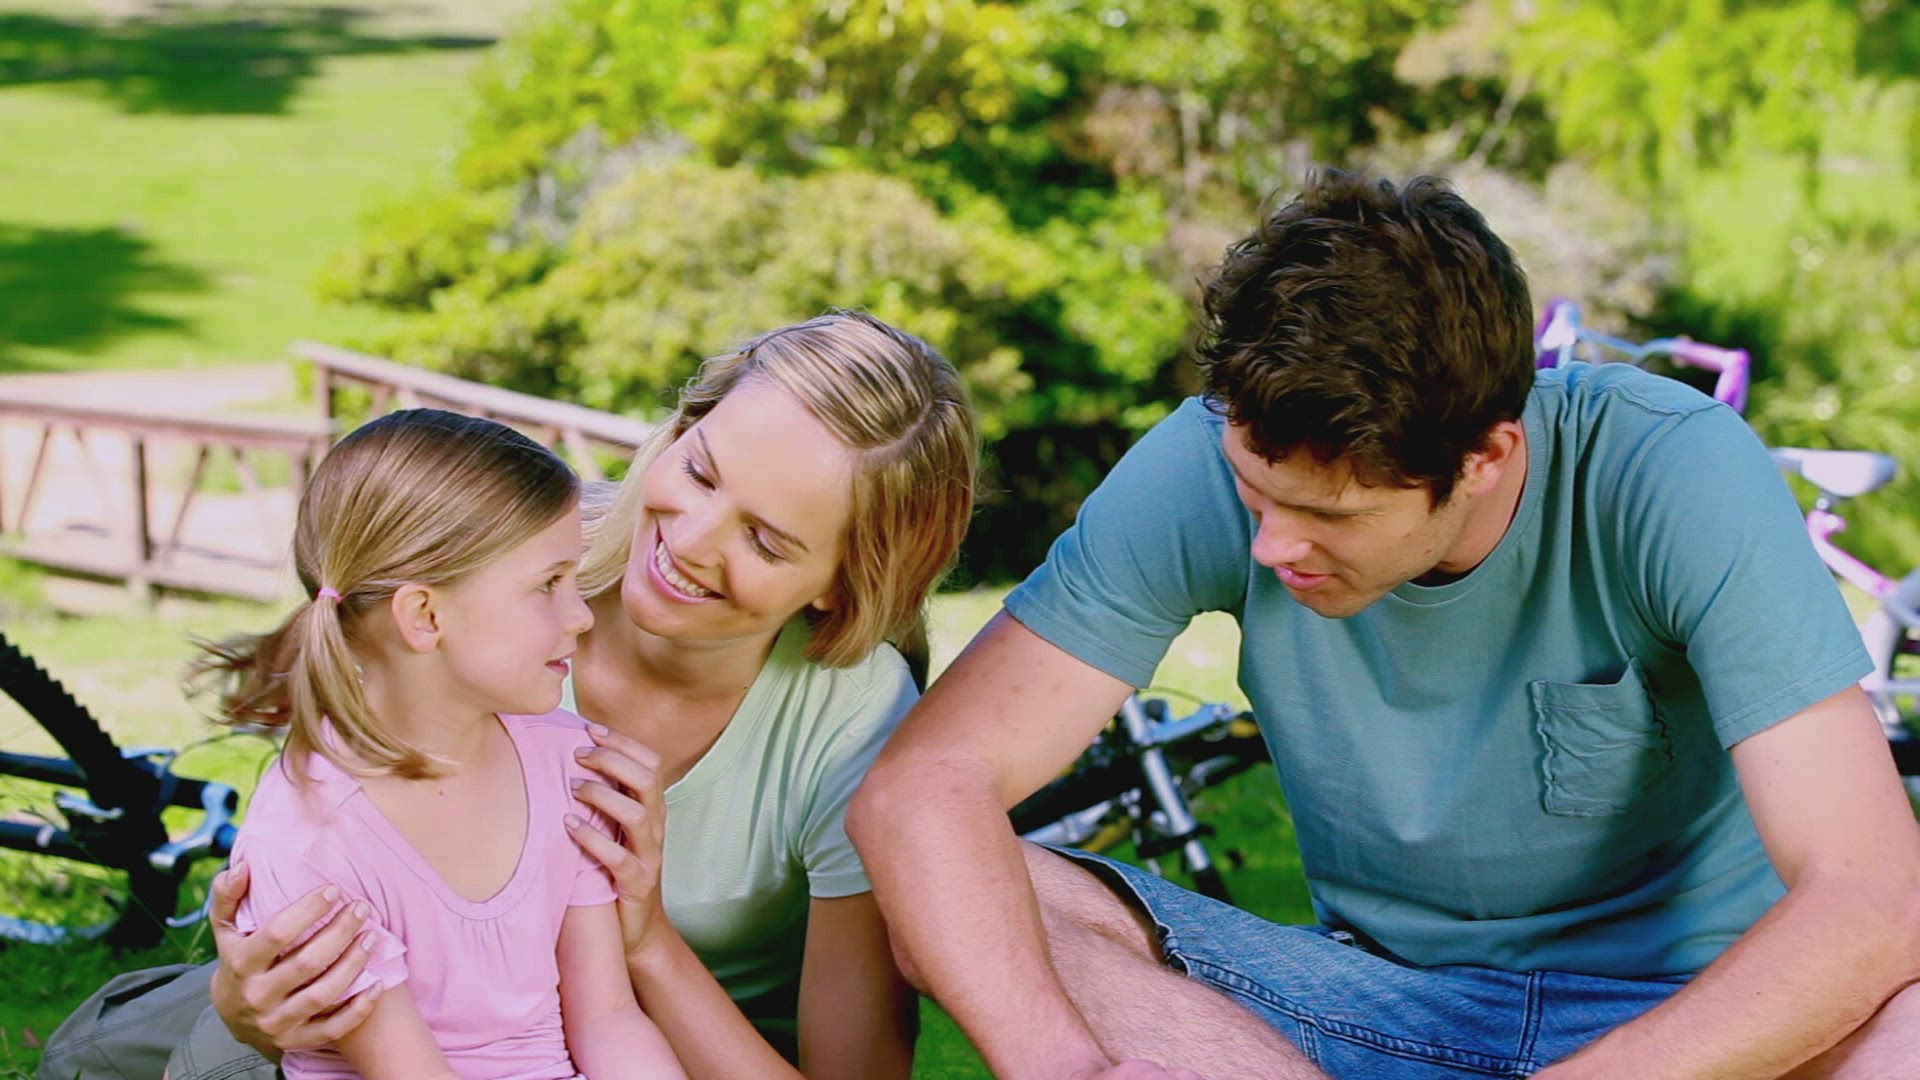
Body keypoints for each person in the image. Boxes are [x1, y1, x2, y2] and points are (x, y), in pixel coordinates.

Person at [848, 171, 1920, 1080]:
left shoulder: (1673, 471)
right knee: (996, 891)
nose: (1273, 545)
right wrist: (1067, 1068)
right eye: (1255, 494)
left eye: (1333, 515)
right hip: (1376, 1010)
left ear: (1485, 457)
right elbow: (922, 788)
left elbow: (1873, 892)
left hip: (1687, 1017)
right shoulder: (1200, 461)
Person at [38, 311, 978, 1080]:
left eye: (766, 541)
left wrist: (646, 938)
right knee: (117, 1057)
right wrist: (246, 1005)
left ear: (844, 583)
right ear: (682, 428)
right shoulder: (513, 550)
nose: (690, 540)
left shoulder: (852, 723)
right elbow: (342, 789)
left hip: (662, 1049)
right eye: (698, 471)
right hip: (400, 1014)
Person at [185, 407, 683, 1079]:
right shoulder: (311, 840)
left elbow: (608, 1019)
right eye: (548, 585)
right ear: (424, 615)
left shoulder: (568, 764)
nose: (581, 616)